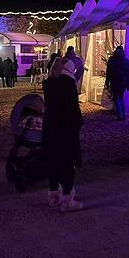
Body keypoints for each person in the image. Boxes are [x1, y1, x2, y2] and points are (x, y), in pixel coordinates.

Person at [42, 58, 84, 212]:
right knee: (68, 162)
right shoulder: (68, 84)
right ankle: (67, 200)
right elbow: (72, 109)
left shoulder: (48, 83)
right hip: (65, 128)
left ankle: (53, 196)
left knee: (52, 161)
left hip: (50, 126)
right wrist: (78, 123)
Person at [105, 46, 129, 120]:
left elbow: (108, 72)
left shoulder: (112, 60)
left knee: (116, 98)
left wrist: (107, 81)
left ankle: (119, 115)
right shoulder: (126, 60)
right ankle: (123, 114)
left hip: (114, 81)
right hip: (123, 82)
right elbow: (128, 73)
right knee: (121, 98)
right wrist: (128, 84)